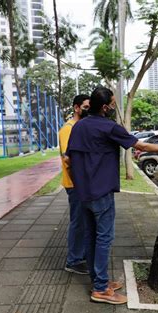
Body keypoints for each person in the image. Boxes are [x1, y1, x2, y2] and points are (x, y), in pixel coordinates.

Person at [65, 87, 158, 305]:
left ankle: (98, 280)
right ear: (104, 107)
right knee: (104, 238)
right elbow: (140, 144)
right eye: (112, 104)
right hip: (101, 192)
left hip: (82, 193)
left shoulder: (78, 126)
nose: (113, 107)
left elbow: (68, 159)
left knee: (91, 237)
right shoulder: (108, 127)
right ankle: (101, 289)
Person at [59, 94, 90, 275]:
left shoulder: (79, 127)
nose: (87, 110)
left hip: (81, 183)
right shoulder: (68, 129)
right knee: (77, 222)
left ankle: (81, 256)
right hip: (74, 183)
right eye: (85, 107)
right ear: (76, 108)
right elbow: (68, 158)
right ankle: (73, 260)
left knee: (84, 222)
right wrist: (79, 181)